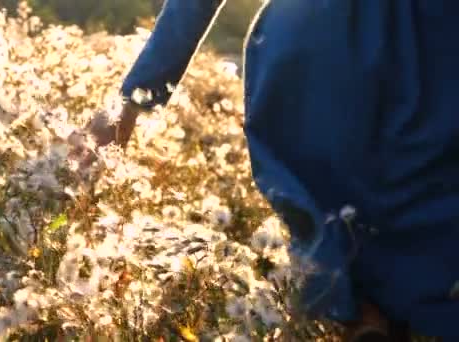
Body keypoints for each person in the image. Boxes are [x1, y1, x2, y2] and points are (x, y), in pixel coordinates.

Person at [89, 1, 459, 341]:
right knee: (422, 219)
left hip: (316, 40)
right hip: (434, 49)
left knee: (338, 233)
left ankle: (361, 316)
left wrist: (132, 99)